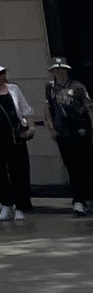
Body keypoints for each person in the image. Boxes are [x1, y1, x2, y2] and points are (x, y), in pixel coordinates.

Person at [45, 59, 93, 215]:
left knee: (84, 165)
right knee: (71, 167)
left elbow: (89, 109)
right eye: (56, 70)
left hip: (80, 131)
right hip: (62, 132)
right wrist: (51, 127)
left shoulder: (77, 87)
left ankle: (88, 197)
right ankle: (78, 199)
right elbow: (47, 108)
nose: (59, 72)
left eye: (62, 69)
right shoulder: (50, 88)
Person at [0, 63, 34, 223]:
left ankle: (21, 206)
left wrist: (31, 127)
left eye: (2, 73)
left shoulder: (13, 89)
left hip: (15, 135)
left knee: (18, 170)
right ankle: (6, 203)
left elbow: (26, 109)